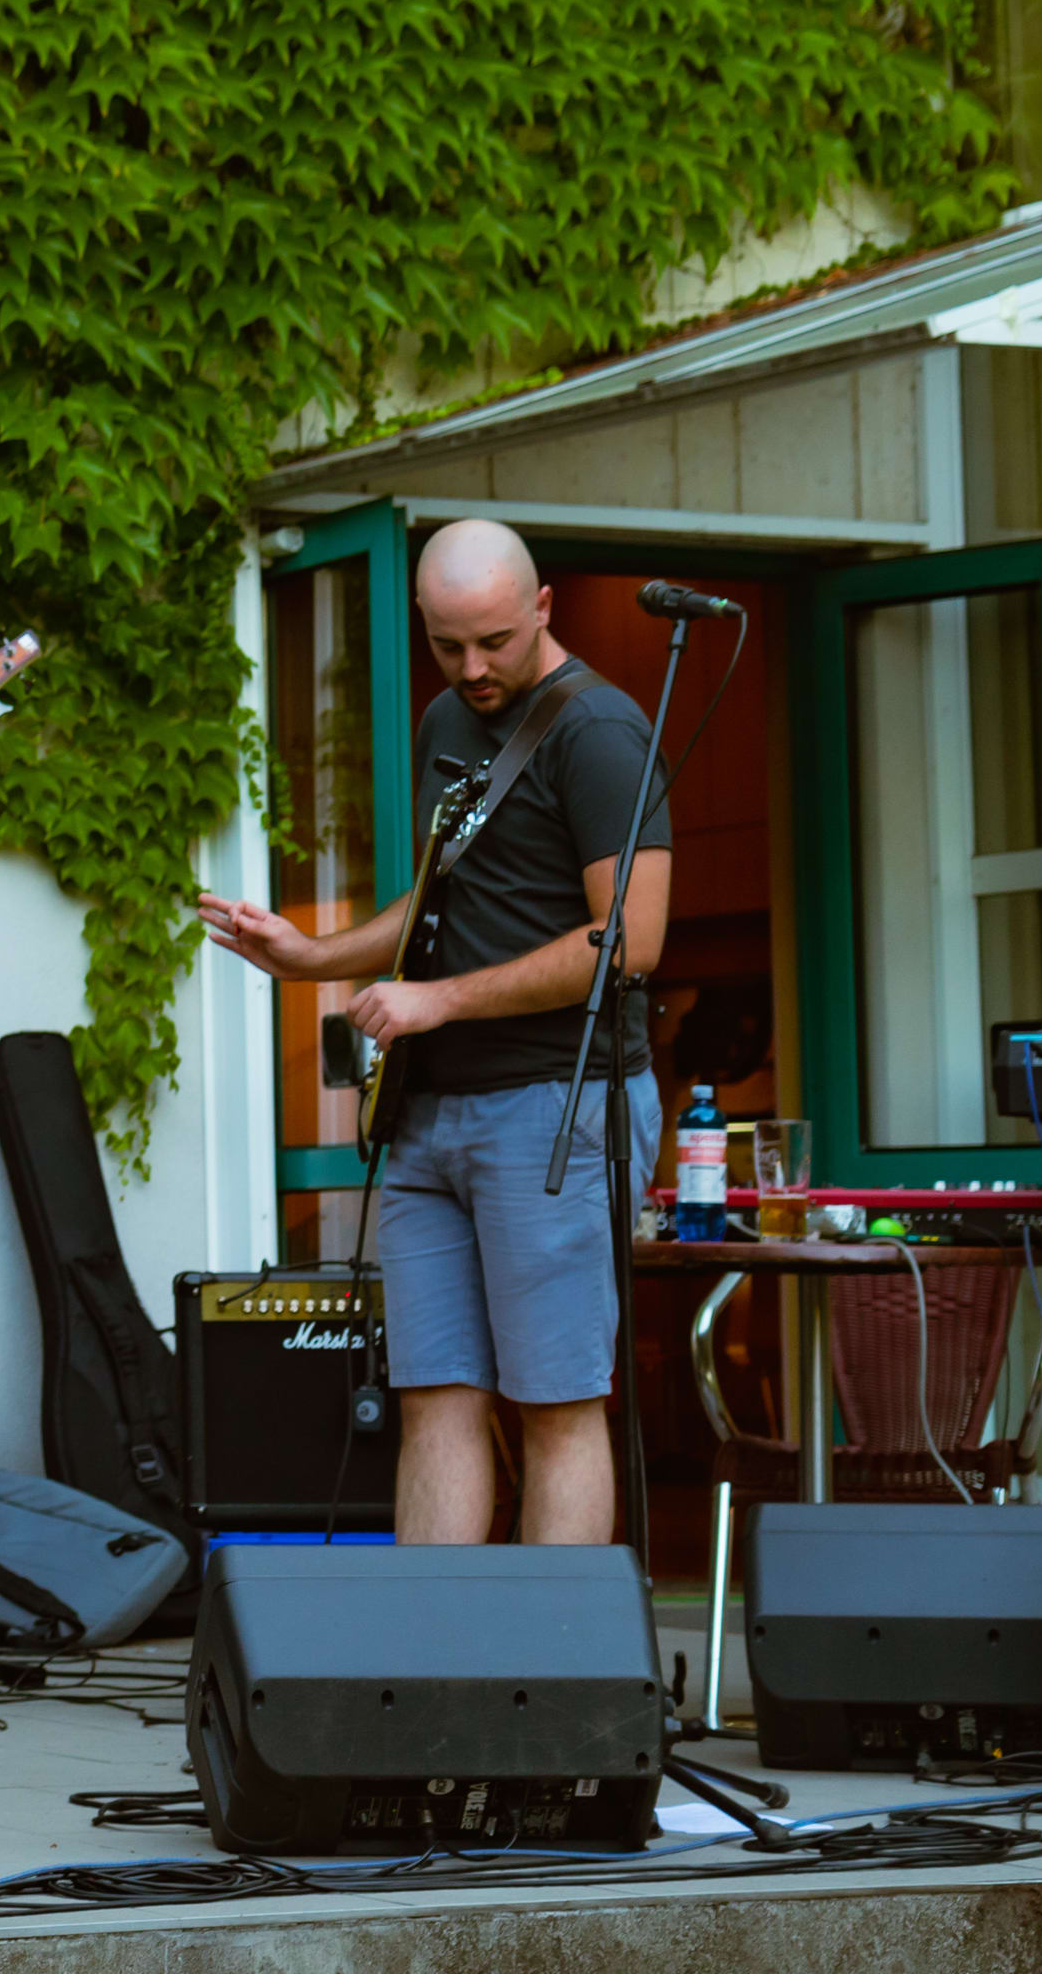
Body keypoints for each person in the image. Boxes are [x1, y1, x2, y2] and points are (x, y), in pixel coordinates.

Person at [197, 518, 671, 1546]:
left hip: (554, 1106)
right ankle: (433, 1643)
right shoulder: (445, 720)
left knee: (555, 1403)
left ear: (543, 607)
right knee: (434, 1395)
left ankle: (553, 1646)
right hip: (430, 1109)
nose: (473, 668)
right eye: (448, 644)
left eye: (495, 641)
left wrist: (439, 1000)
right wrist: (310, 956)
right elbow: (443, 900)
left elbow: (630, 940)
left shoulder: (600, 732)